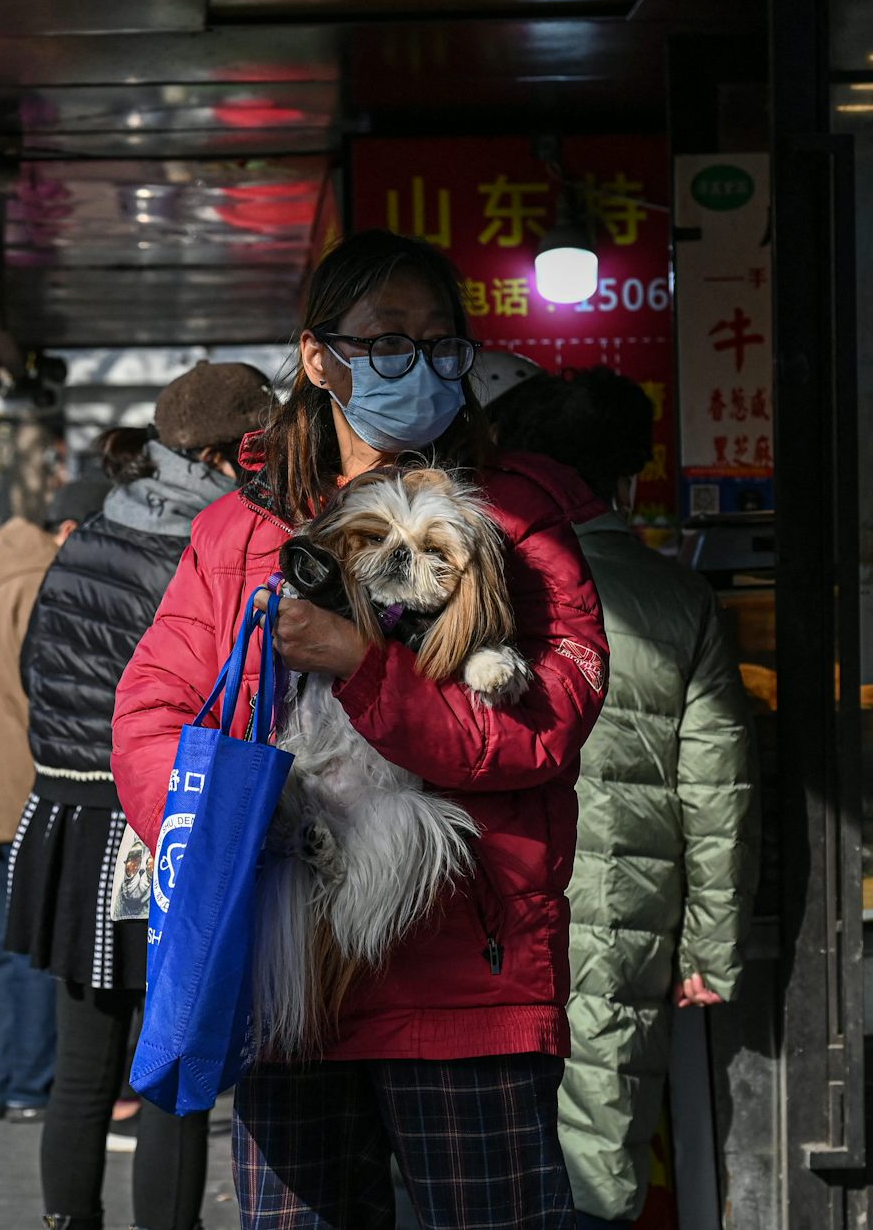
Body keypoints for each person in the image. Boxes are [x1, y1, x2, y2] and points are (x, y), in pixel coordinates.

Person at [114, 230, 609, 1229]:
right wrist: (255, 820)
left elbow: (548, 725)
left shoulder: (518, 520)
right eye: (386, 341)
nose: (416, 365)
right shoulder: (240, 531)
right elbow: (149, 718)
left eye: (437, 342)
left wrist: (365, 666)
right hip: (292, 984)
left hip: (468, 983)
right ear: (318, 357)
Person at [7, 360, 276, 1230]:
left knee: (84, 1067)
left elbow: (30, 674)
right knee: (174, 1064)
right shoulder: (211, 540)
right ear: (233, 451)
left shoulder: (90, 529)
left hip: (64, 813)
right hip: (158, 819)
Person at [489, 368, 758, 1230]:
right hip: (623, 921)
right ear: (628, 476)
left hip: (485, 906)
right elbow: (717, 789)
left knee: (474, 1153)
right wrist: (711, 947)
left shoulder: (479, 580)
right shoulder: (677, 598)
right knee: (599, 1158)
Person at [0, 475, 108, 1123]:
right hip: (25, 784)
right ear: (69, 531)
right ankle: (33, 1079)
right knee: (36, 941)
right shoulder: (43, 581)